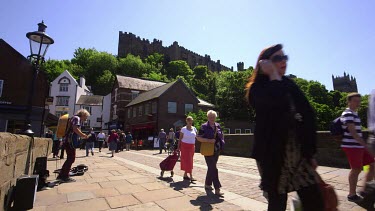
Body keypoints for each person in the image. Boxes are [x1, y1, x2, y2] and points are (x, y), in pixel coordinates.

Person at [245, 44, 324, 211]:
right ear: (264, 63)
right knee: (277, 203)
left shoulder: (289, 84)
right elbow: (275, 107)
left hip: (299, 155)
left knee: (315, 201)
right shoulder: (257, 88)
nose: (283, 61)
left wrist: (310, 152)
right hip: (273, 156)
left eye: (284, 57)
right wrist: (273, 75)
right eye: (277, 58)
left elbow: (309, 116)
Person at [341, 93, 375, 201]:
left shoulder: (354, 113)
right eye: (355, 101)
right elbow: (353, 133)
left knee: (372, 164)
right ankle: (351, 195)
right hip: (352, 146)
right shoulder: (347, 113)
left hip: (358, 145)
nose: (358, 103)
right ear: (349, 101)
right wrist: (365, 145)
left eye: (359, 101)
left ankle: (366, 190)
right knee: (356, 169)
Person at [196, 110, 225, 197]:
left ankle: (207, 184)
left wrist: (222, 142)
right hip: (207, 150)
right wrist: (209, 140)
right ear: (208, 117)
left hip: (216, 150)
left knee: (211, 168)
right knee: (214, 168)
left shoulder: (218, 125)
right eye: (210, 117)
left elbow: (221, 135)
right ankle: (217, 188)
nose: (212, 118)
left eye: (213, 117)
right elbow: (198, 138)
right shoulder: (203, 126)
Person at [57, 109, 90, 182]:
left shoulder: (73, 118)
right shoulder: (77, 118)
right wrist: (83, 135)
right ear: (83, 115)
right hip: (70, 141)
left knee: (70, 158)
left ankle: (62, 174)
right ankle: (64, 176)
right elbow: (75, 129)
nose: (86, 119)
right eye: (86, 117)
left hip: (67, 141)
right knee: (71, 158)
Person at [178, 116, 198, 183]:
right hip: (184, 146)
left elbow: (197, 137)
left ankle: (185, 174)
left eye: (191, 120)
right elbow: (180, 138)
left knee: (190, 160)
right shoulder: (183, 129)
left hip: (192, 146)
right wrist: (178, 147)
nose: (190, 122)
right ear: (186, 121)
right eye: (189, 120)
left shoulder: (194, 129)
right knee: (188, 161)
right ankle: (191, 176)